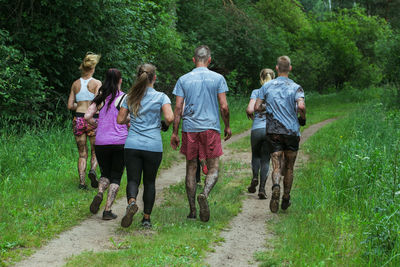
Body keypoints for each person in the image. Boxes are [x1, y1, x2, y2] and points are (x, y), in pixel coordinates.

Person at [170, 45, 231, 222]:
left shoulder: (183, 79)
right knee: (213, 168)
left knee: (191, 168)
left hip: (189, 128)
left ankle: (192, 211)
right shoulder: (218, 78)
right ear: (209, 60)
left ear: (194, 59)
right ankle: (204, 193)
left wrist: (175, 132)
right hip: (211, 127)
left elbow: (178, 108)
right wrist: (227, 126)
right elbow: (224, 106)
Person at [117, 63, 173, 228]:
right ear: (154, 77)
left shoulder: (130, 97)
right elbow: (169, 118)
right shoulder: (161, 97)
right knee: (149, 182)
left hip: (132, 144)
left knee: (133, 179)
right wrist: (162, 123)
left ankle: (131, 202)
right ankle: (146, 219)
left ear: (138, 76)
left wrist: (133, 119)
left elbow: (120, 119)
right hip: (153, 146)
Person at [255, 56, 306, 213]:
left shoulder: (267, 87)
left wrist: (268, 106)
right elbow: (301, 106)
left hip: (273, 131)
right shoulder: (296, 88)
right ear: (290, 68)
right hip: (291, 132)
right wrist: (302, 118)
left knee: (276, 164)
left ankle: (275, 186)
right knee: (289, 166)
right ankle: (286, 198)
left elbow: (257, 107)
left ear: (277, 68)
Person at [85, 68, 128, 220]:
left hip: (101, 142)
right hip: (119, 142)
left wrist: (97, 124)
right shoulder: (124, 98)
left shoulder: (100, 97)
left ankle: (100, 193)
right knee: (116, 177)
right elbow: (129, 119)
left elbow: (87, 115)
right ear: (120, 81)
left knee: (105, 174)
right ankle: (107, 210)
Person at [67, 52, 102, 190]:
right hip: (92, 119)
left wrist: (80, 105)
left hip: (79, 119)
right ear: (92, 68)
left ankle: (82, 183)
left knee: (82, 153)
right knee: (95, 151)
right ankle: (92, 170)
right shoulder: (97, 83)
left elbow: (70, 106)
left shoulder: (75, 84)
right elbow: (99, 104)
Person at [245, 68, 275, 199]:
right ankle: (262, 188)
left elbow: (250, 109)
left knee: (256, 155)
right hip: (270, 130)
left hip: (257, 129)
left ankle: (254, 177)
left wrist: (250, 113)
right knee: (266, 159)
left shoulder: (256, 92)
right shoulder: (276, 93)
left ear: (261, 79)